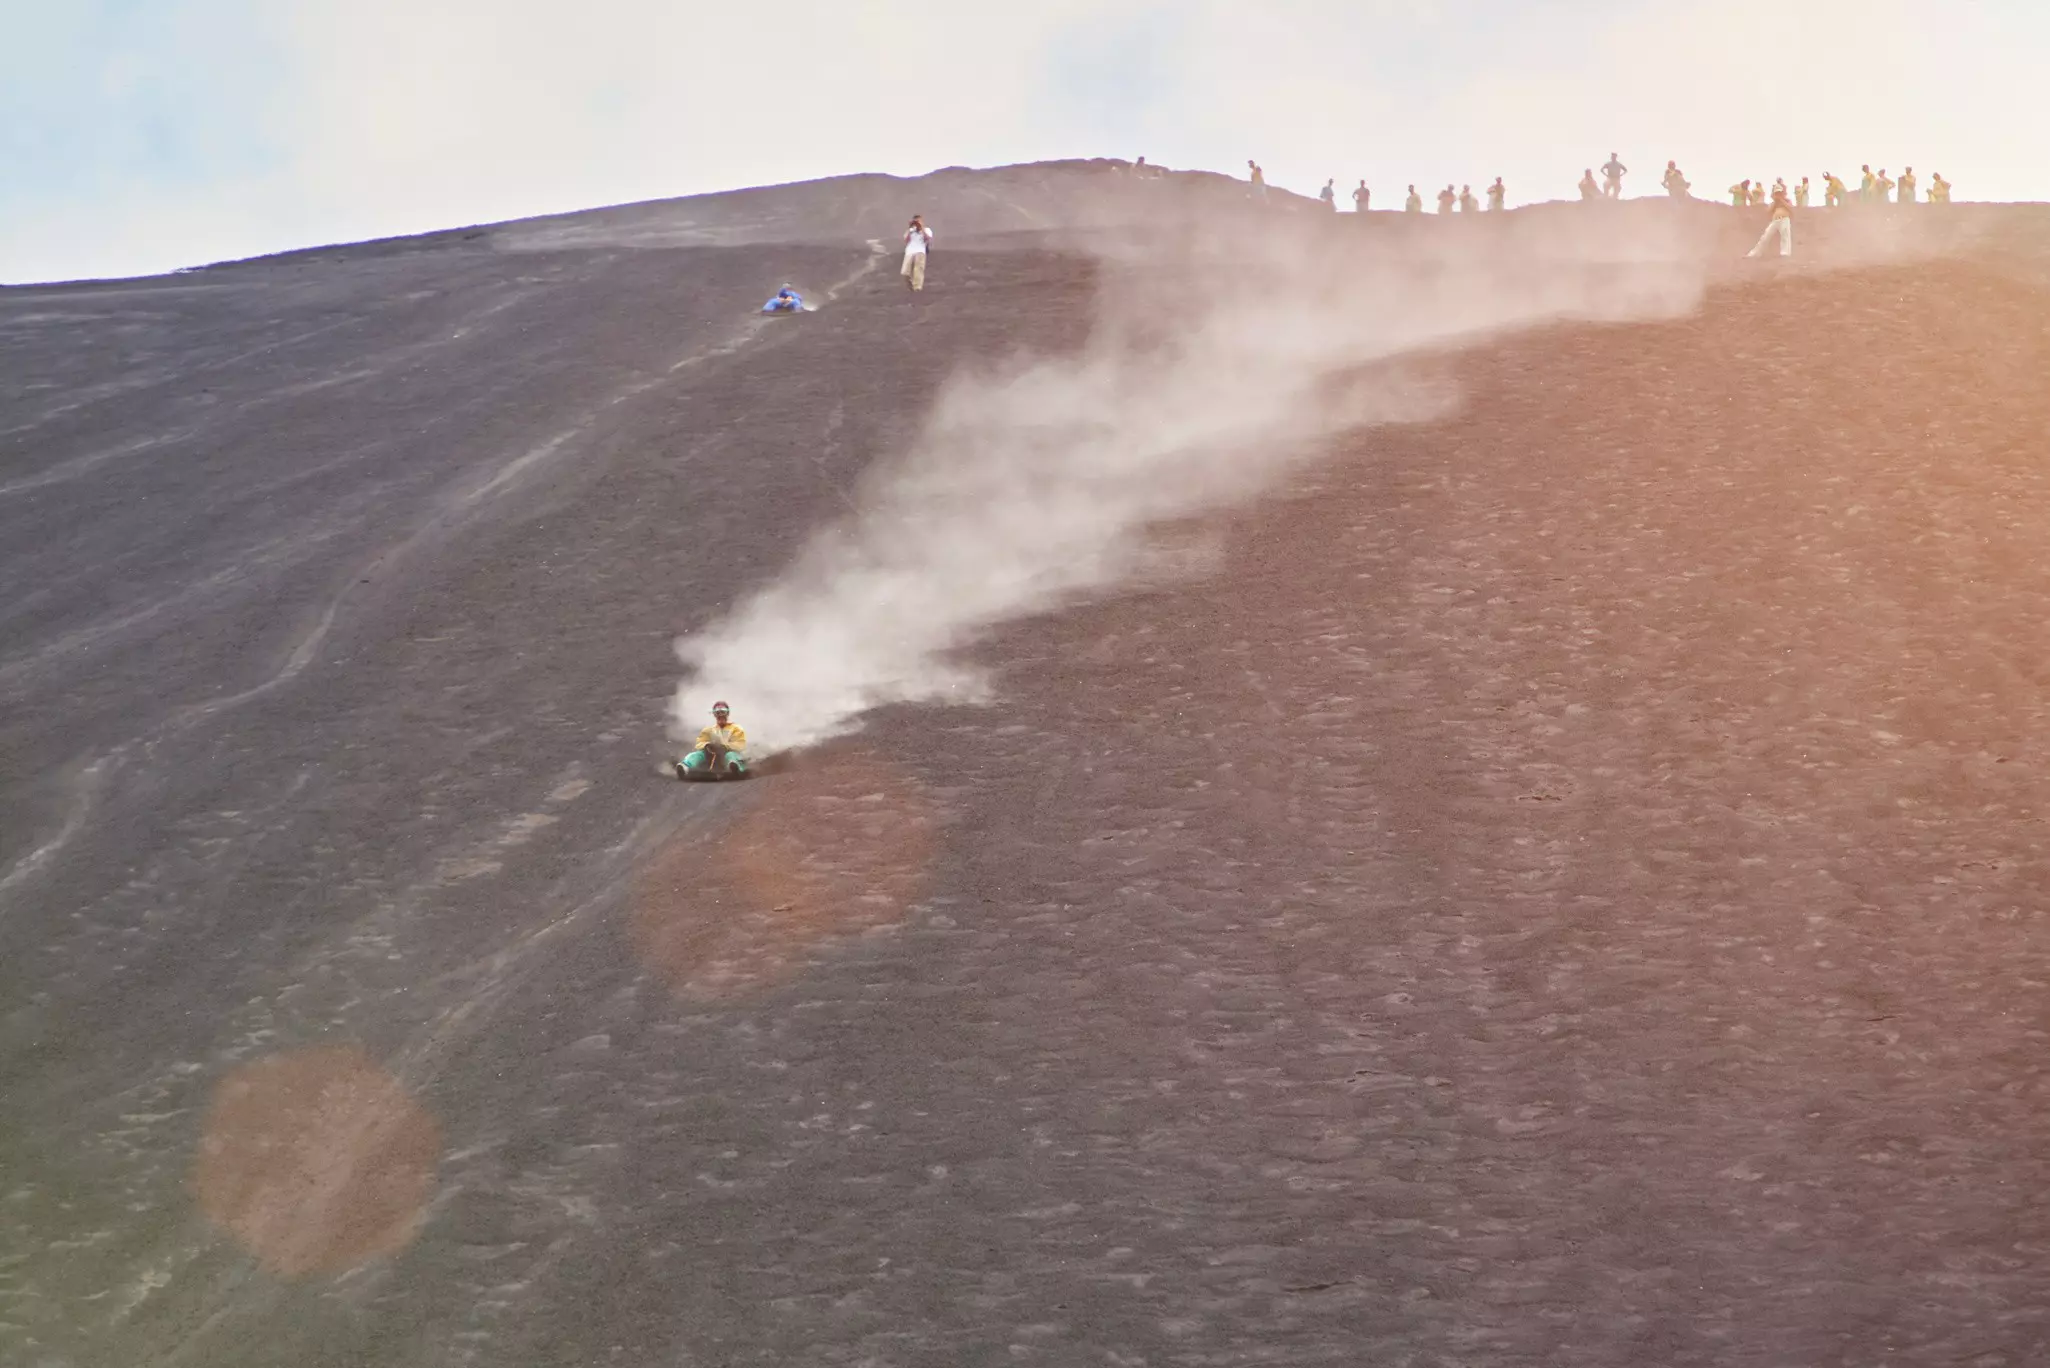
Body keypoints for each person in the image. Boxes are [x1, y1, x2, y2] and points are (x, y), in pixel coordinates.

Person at [680, 701, 748, 776]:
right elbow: (699, 743)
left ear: (727, 713)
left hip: (728, 754)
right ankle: (685, 766)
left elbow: (740, 744)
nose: (720, 715)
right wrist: (707, 745)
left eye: (723, 712)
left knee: (731, 755)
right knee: (697, 755)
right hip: (711, 755)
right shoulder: (709, 730)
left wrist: (724, 746)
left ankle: (735, 767)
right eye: (718, 713)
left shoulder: (736, 728)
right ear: (714, 715)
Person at [1745, 183, 1795, 259]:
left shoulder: (1787, 201)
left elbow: (1791, 208)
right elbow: (1768, 211)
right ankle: (1755, 253)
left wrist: (1782, 200)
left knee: (1785, 236)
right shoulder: (1773, 203)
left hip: (1784, 219)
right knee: (1765, 236)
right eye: (1776, 193)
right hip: (1775, 220)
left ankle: (1785, 253)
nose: (1778, 194)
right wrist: (1776, 202)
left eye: (1779, 193)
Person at [901, 214, 933, 292]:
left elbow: (927, 238)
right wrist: (909, 229)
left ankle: (917, 287)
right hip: (909, 251)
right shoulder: (910, 231)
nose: (917, 223)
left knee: (918, 269)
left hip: (920, 251)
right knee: (904, 272)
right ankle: (910, 285)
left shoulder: (927, 230)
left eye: (918, 221)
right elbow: (906, 240)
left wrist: (921, 228)